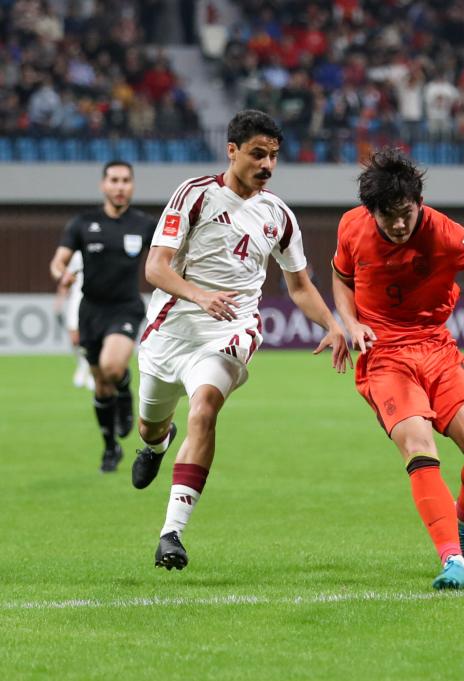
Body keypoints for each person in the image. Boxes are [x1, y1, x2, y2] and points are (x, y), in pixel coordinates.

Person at [132, 110, 348, 570]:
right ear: (232, 151)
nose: (267, 164)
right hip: (171, 331)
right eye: (257, 154)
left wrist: (331, 325)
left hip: (232, 330)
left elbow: (299, 285)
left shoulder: (279, 215)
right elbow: (155, 267)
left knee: (205, 409)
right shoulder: (194, 195)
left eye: (273, 155)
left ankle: (171, 533)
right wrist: (200, 296)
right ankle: (156, 444)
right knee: (150, 425)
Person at [332, 148, 464, 590]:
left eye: (406, 214)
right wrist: (351, 323)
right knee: (419, 447)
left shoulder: (444, 232)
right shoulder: (351, 226)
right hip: (386, 356)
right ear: (371, 211)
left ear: (419, 203)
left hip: (437, 349)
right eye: (388, 216)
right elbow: (341, 277)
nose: (399, 225)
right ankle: (452, 560)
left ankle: (462, 522)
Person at [48, 161, 157, 472]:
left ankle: (125, 389)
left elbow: (165, 259)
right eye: (114, 180)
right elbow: (58, 262)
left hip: (126, 307)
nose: (119, 186)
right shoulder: (83, 223)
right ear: (103, 185)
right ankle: (110, 447)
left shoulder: (144, 225)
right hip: (91, 311)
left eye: (125, 180)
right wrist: (62, 274)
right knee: (100, 385)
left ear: (132, 186)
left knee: (112, 367)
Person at [54, 250, 95, 390]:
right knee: (74, 339)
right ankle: (82, 365)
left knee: (92, 337)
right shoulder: (75, 255)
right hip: (76, 298)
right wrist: (60, 299)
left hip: (94, 299)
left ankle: (91, 371)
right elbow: (66, 278)